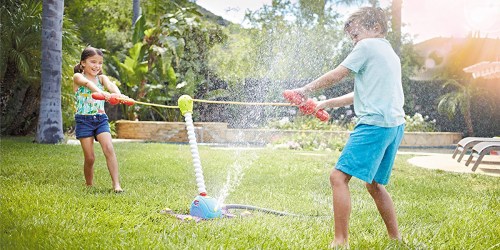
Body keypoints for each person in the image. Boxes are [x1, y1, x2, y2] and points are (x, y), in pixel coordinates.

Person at [287, 7, 405, 247]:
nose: (354, 41)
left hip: (373, 124)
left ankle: (340, 241)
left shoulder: (367, 46)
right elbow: (362, 91)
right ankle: (396, 239)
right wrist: (327, 103)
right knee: (373, 184)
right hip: (393, 125)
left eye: (356, 35)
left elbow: (337, 74)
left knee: (338, 177)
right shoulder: (388, 52)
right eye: (352, 37)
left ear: (375, 28)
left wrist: (304, 90)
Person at [73, 46, 126, 193]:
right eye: (93, 62)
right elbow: (88, 85)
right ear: (83, 63)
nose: (97, 66)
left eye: (100, 63)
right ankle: (89, 184)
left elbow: (112, 86)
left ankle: (116, 185)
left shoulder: (102, 78)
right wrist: (103, 94)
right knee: (90, 158)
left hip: (100, 119)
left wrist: (119, 95)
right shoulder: (78, 77)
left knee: (109, 148)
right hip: (84, 120)